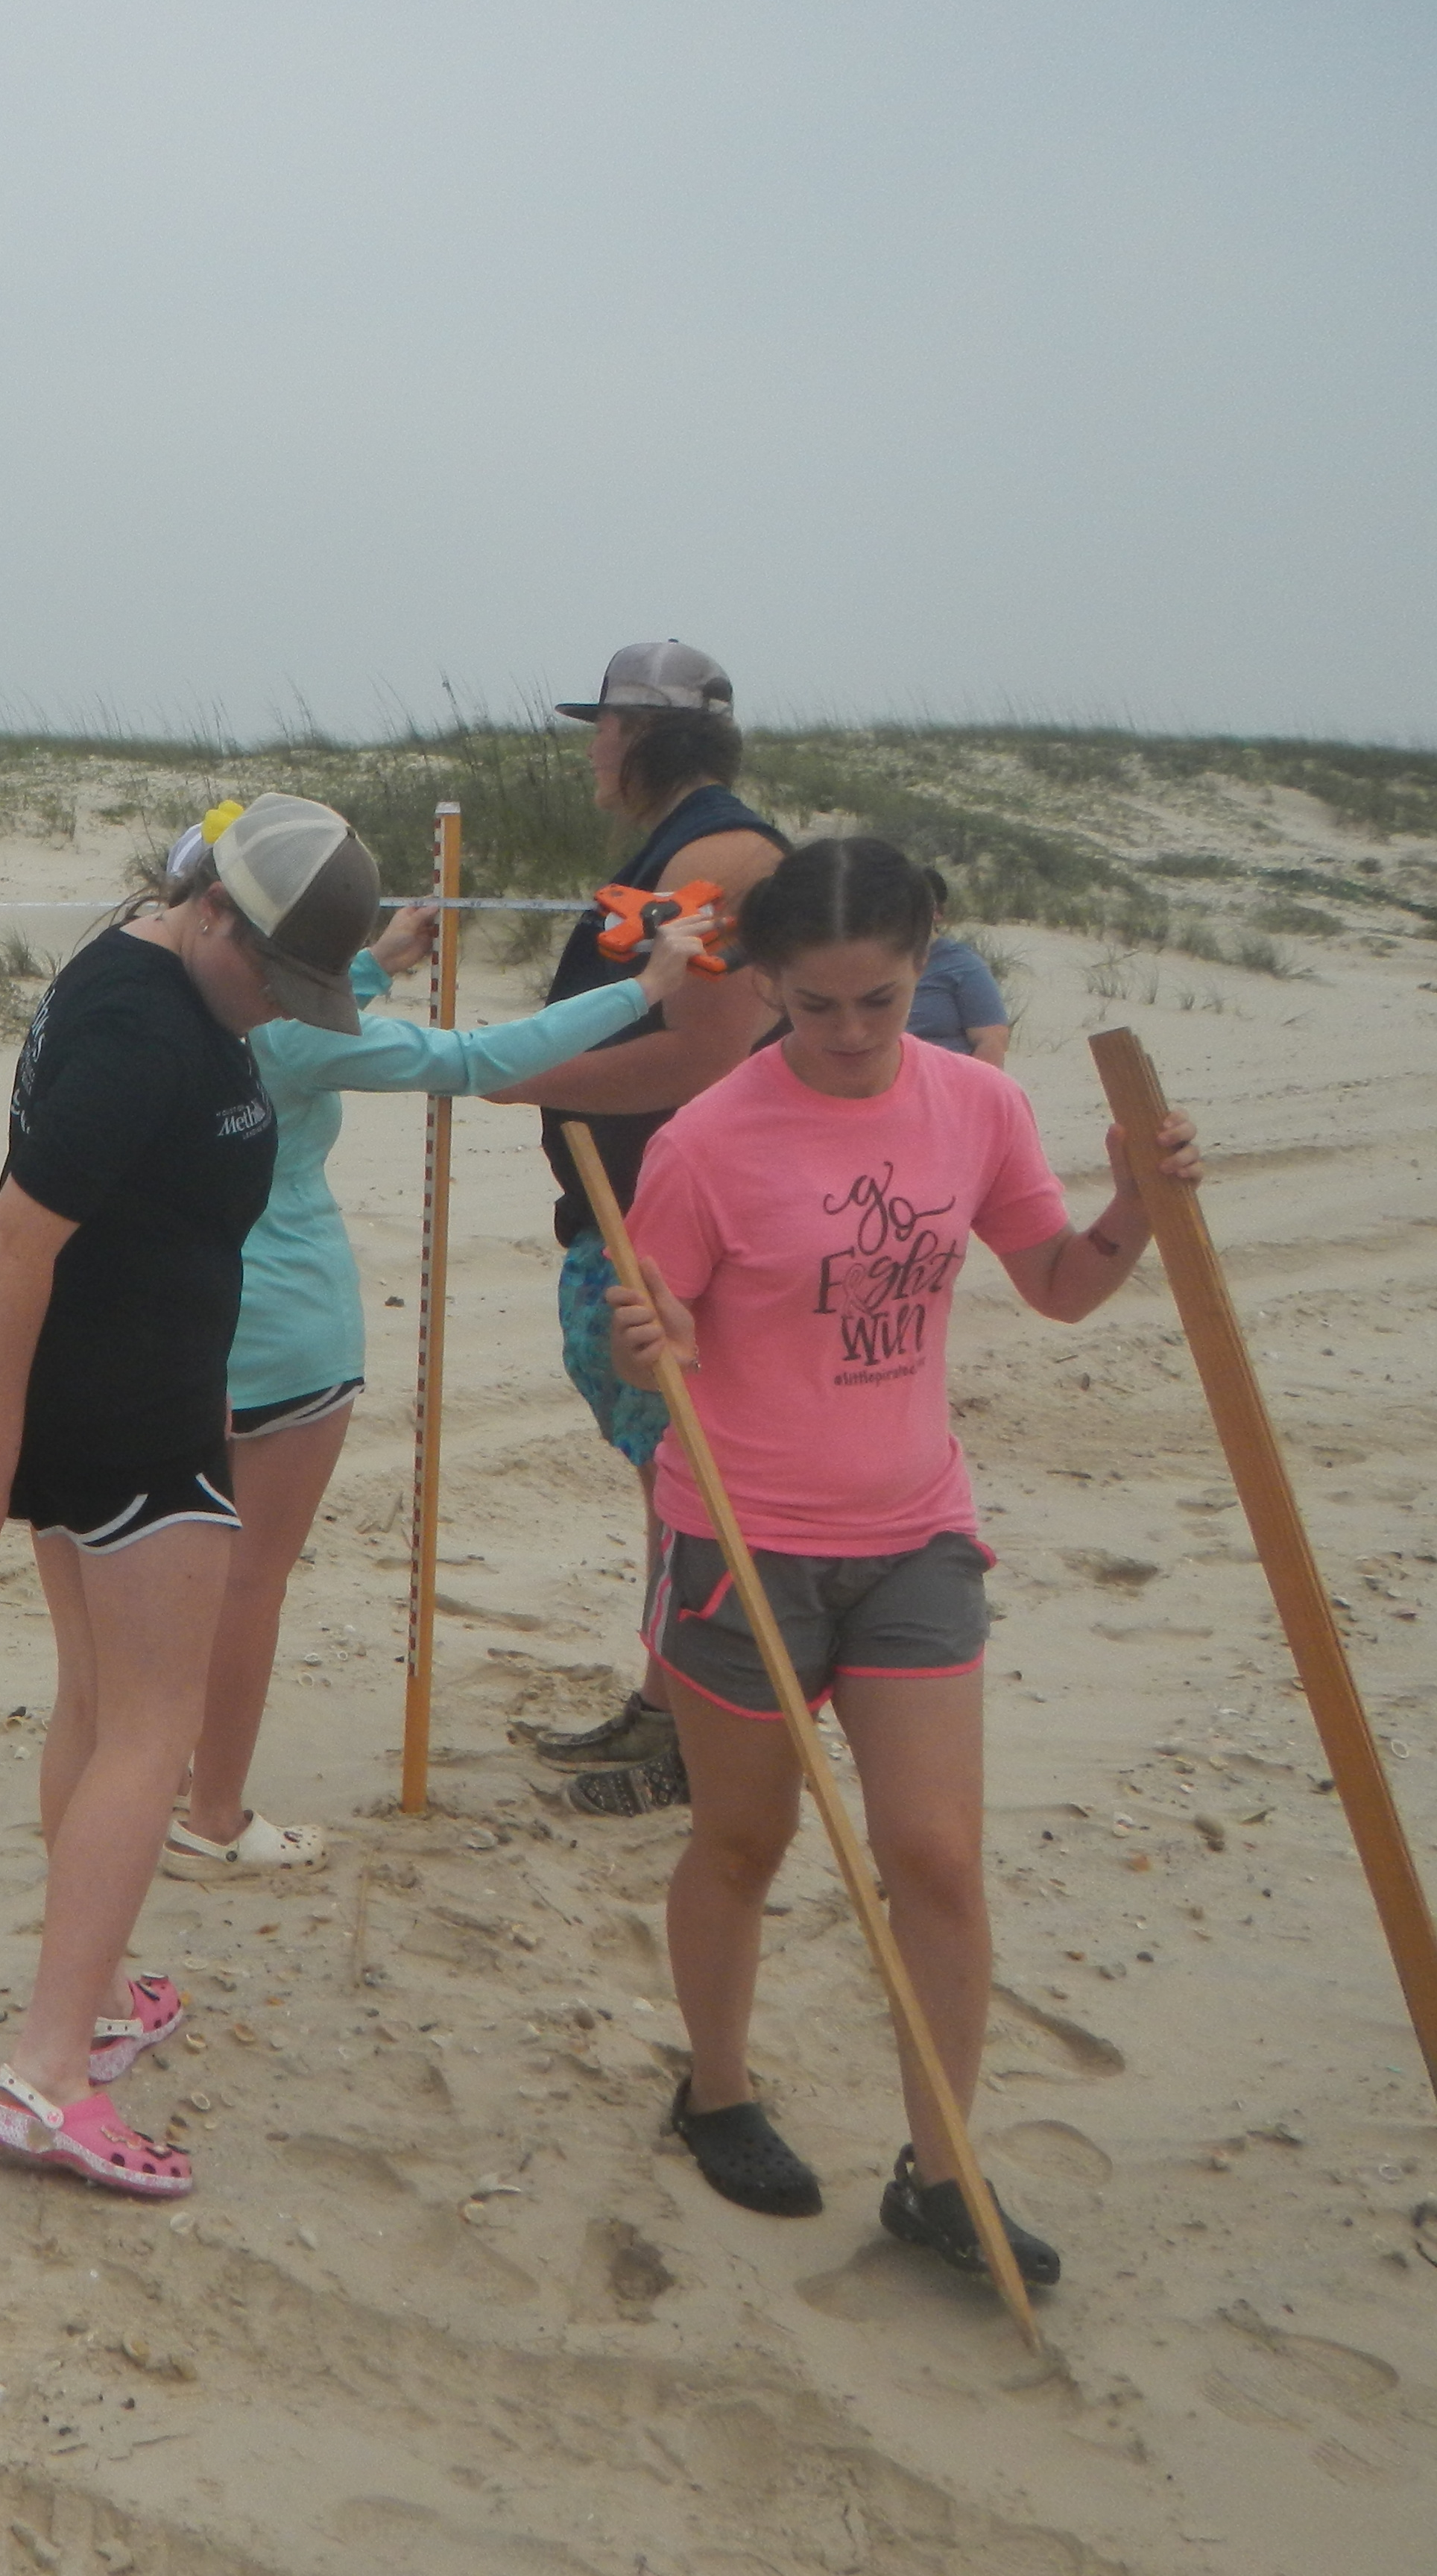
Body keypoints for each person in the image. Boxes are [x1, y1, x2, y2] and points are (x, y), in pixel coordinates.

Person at [603, 837, 1198, 2286]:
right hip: (740, 1540)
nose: (856, 1034)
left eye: (882, 999)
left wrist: (1136, 1211)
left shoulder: (979, 1105)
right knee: (744, 1844)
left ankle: (941, 2175)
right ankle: (718, 2090)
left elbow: (1058, 1288)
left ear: (928, 959)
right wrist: (653, 1342)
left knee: (934, 1855)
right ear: (767, 987)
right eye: (819, 1007)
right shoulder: (707, 1141)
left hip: (916, 1531)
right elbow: (661, 1337)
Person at [0, 794, 378, 2198]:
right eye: (268, 976)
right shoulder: (136, 1029)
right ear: (214, 914)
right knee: (153, 1733)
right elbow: (12, 1236)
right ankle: (49, 2071)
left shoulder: (143, 959)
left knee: (98, 1703)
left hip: (116, 1387)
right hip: (123, 1411)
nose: (271, 1011)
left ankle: (99, 1998)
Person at [168, 834, 716, 1878]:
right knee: (249, 1585)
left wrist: (379, 960)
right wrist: (644, 986)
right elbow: (475, 1062)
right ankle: (217, 1810)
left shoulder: (174, 997)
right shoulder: (289, 1037)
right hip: (288, 1333)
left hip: (184, 1325)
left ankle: (151, 1778)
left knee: (175, 1571)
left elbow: (307, 1023)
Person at [484, 643, 792, 1814]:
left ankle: (697, 1746)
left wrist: (511, 1075)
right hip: (630, 1202)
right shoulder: (682, 847)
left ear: (645, 735)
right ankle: (664, 1707)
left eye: (602, 728)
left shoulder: (717, 854)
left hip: (678, 1211)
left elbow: (707, 1051)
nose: (591, 750)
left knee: (697, 1476)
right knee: (671, 1477)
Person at [906, 869, 1012, 1062]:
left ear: (938, 912)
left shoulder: (962, 965)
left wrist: (970, 1091)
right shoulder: (870, 964)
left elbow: (992, 1040)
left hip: (945, 1080)